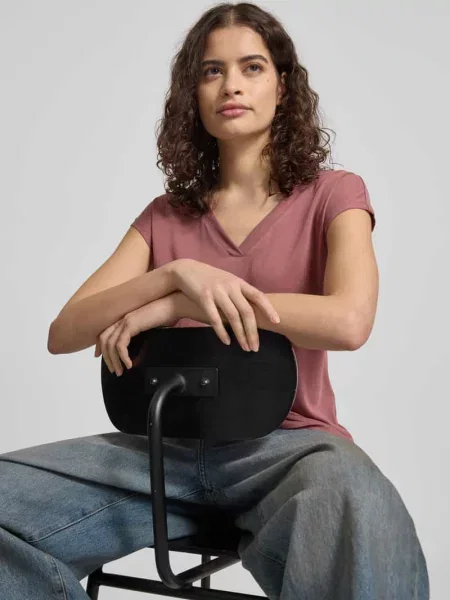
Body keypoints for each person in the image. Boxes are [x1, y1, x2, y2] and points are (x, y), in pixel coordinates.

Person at [0, 3, 429, 599]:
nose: (231, 85)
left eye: (252, 67)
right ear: (194, 95)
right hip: (160, 453)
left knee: (358, 500)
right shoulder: (165, 217)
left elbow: (349, 321)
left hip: (289, 449)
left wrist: (186, 306)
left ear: (283, 85)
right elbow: (64, 332)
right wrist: (173, 276)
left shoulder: (334, 194)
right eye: (211, 71)